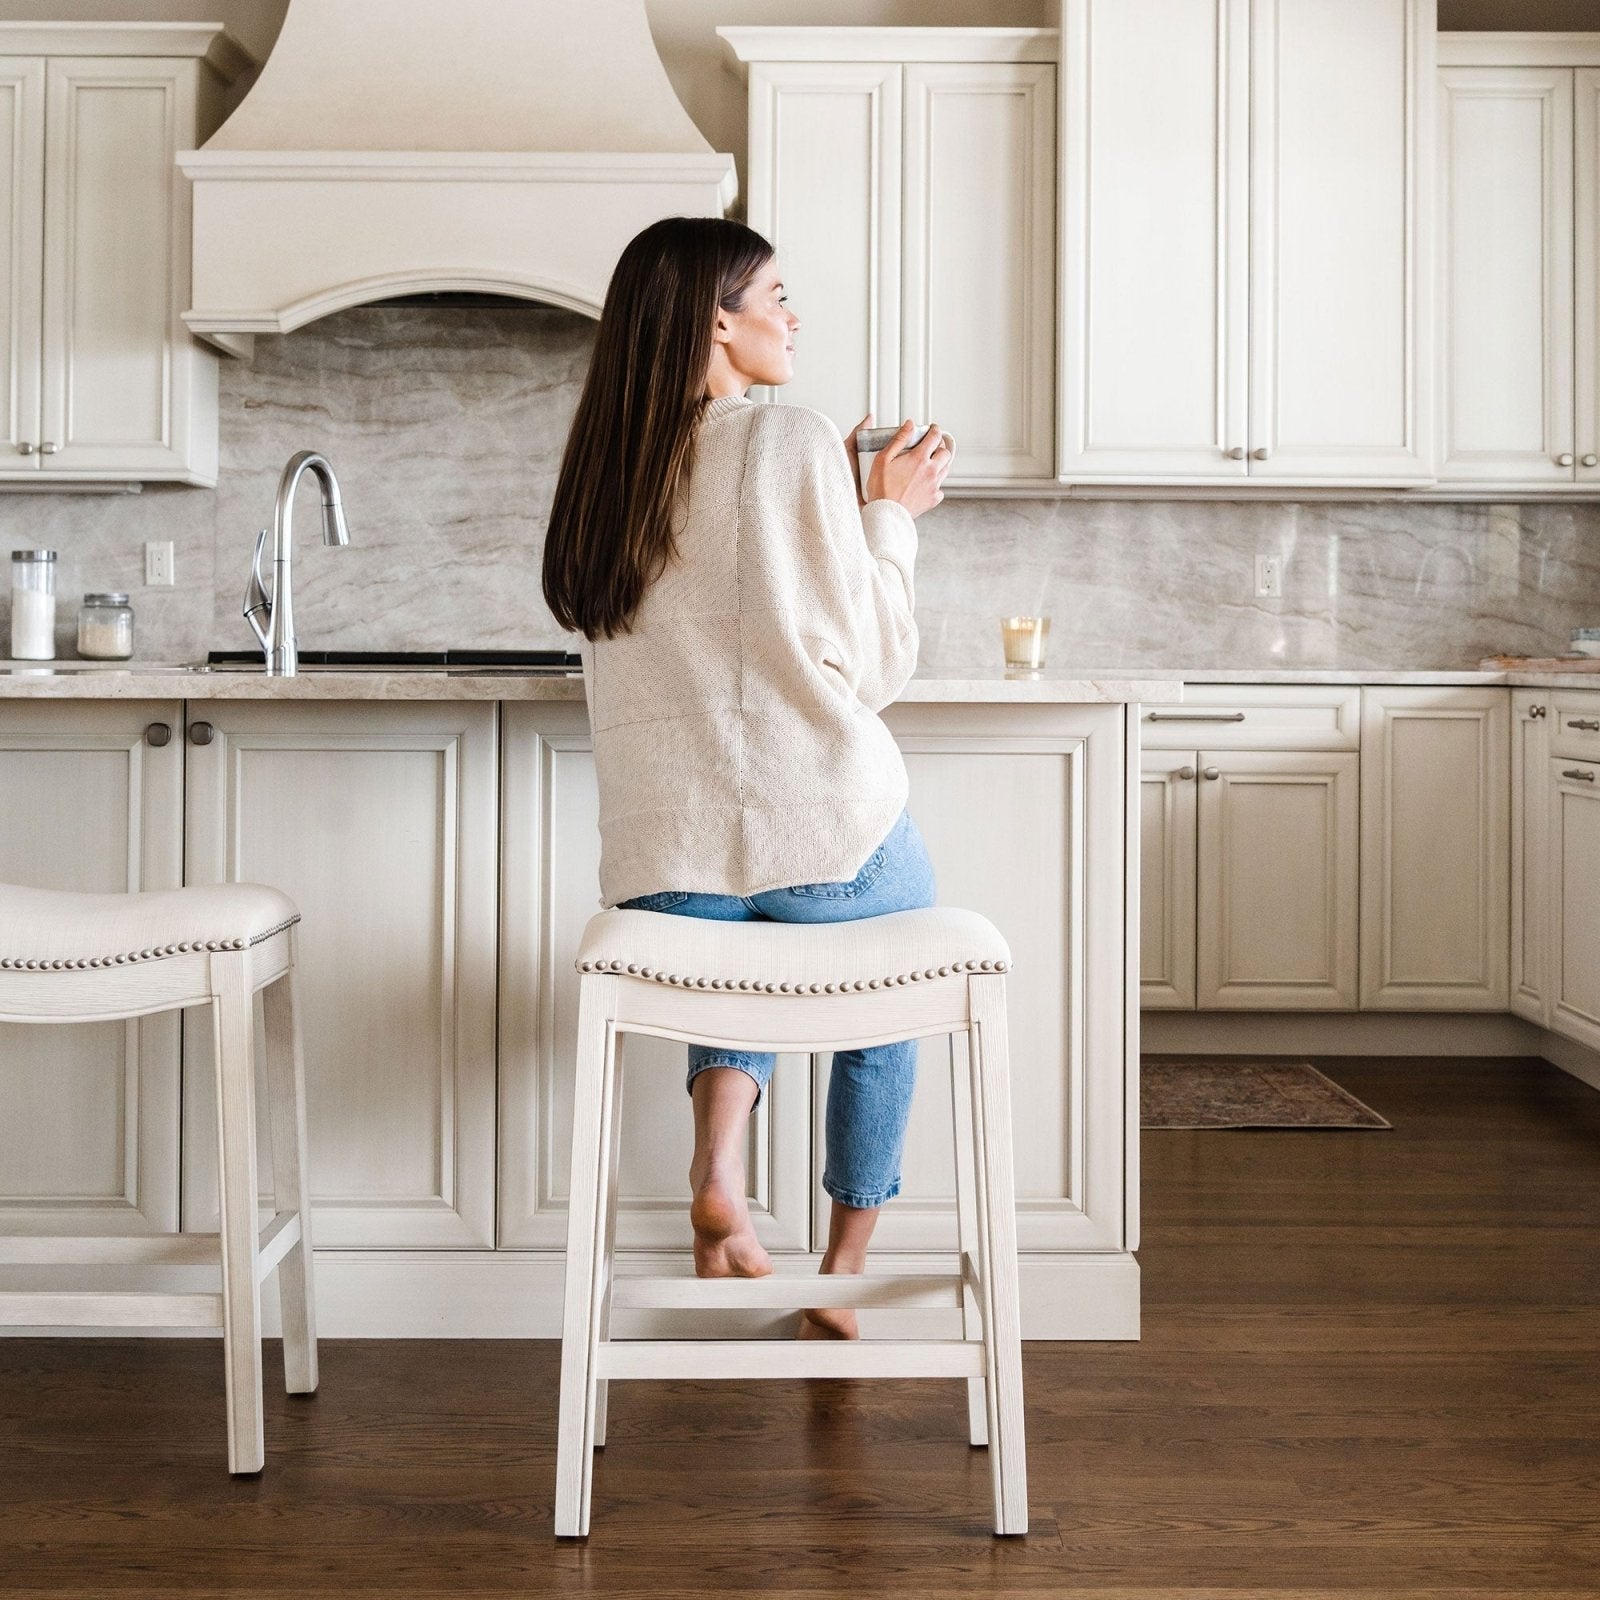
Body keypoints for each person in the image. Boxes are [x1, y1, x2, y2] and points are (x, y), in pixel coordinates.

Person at [542, 216, 953, 1339]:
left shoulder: (605, 473)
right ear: (717, 320)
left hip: (662, 865)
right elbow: (872, 660)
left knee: (736, 954)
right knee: (885, 1006)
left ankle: (716, 1169)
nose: (791, 314)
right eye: (775, 293)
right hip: (825, 831)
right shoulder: (788, 440)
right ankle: (841, 1274)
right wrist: (889, 514)